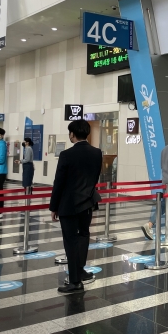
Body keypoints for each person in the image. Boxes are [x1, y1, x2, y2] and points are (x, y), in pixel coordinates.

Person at [49, 120, 102, 294]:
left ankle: (75, 281)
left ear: (72, 134)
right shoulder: (97, 153)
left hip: (69, 204)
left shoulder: (66, 155)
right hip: (87, 202)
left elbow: (59, 182)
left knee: (70, 240)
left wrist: (53, 206)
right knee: (84, 235)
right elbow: (94, 177)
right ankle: (80, 270)